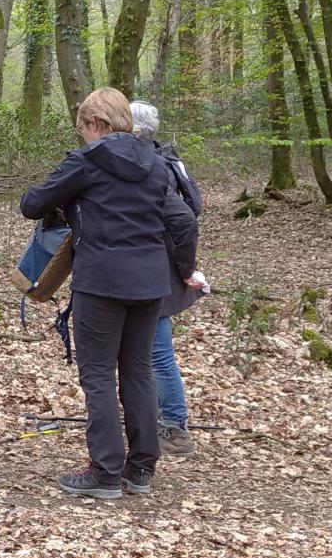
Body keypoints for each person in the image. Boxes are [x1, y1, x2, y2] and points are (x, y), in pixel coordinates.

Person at [20, 88, 199, 498]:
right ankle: (140, 470)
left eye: (83, 126)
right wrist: (184, 270)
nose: (82, 134)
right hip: (150, 284)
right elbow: (184, 222)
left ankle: (104, 473)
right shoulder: (156, 163)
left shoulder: (86, 161)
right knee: (137, 371)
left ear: (96, 124)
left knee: (98, 375)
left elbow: (32, 204)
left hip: (101, 282)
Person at [131, 100, 206, 457]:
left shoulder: (151, 167)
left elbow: (183, 222)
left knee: (159, 354)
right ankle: (161, 420)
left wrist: (186, 269)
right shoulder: (159, 160)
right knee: (151, 353)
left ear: (134, 131)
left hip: (154, 273)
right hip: (152, 271)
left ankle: (175, 428)